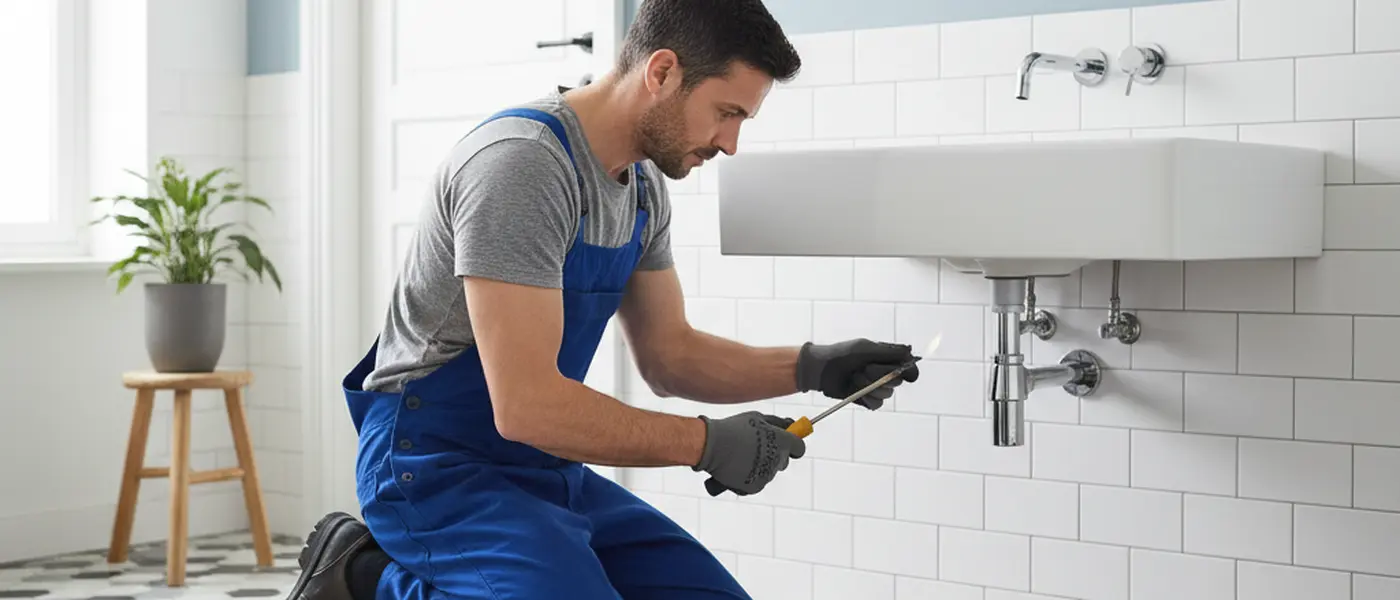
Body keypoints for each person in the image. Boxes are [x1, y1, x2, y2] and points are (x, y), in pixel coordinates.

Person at [286, 1, 919, 599]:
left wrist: (814, 366)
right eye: (727, 113)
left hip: (544, 463)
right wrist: (706, 444)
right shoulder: (523, 167)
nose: (730, 143)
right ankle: (361, 575)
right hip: (432, 463)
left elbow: (670, 357)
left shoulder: (642, 187)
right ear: (663, 71)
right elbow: (528, 406)